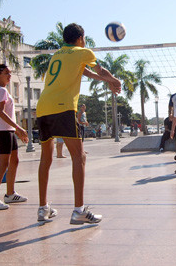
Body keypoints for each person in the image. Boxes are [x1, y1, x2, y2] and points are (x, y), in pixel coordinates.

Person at [36, 23, 121, 224]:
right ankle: (79, 210)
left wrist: (106, 81)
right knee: (79, 157)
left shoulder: (57, 55)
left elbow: (83, 72)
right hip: (63, 107)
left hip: (43, 108)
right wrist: (115, 80)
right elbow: (101, 69)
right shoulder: (83, 52)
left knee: (45, 160)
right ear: (81, 38)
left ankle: (42, 209)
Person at [0, 64, 29, 210]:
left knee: (14, 161)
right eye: (6, 73)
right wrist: (18, 128)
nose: (9, 76)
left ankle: (10, 194)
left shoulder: (3, 90)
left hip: (9, 130)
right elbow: (0, 112)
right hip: (4, 131)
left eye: (10, 73)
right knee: (3, 164)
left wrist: (16, 130)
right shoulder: (1, 90)